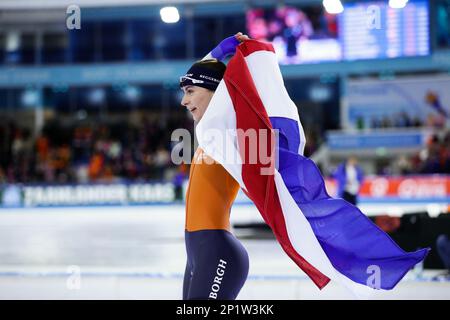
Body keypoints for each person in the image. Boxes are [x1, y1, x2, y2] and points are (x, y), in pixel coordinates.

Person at [180, 32, 250, 300]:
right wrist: (222, 48)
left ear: (217, 93)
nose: (184, 101)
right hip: (199, 253)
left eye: (190, 92)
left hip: (217, 253)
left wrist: (234, 57)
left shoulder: (227, 130)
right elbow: (204, 73)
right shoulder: (209, 131)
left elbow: (216, 83)